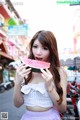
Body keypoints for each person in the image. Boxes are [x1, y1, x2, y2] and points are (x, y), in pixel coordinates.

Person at [13, 30, 68, 120]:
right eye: (35, 46)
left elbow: (62, 109)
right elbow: (17, 104)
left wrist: (50, 87)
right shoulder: (24, 70)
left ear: (52, 50)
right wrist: (17, 82)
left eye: (45, 48)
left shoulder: (60, 72)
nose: (38, 52)